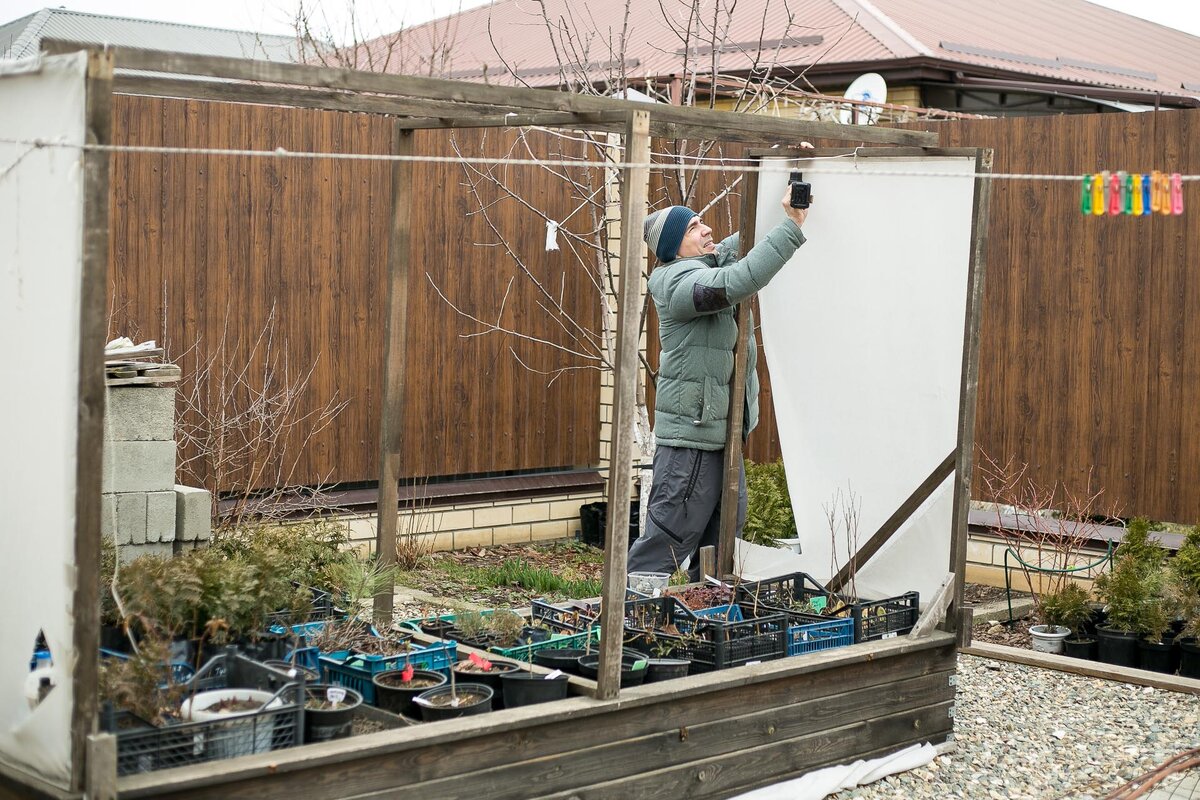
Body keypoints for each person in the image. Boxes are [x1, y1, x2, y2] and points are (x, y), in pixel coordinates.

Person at [626, 187, 811, 581]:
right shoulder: (677, 284)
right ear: (674, 247)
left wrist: (788, 173)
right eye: (694, 228)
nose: (707, 229)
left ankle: (701, 621)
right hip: (690, 440)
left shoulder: (700, 267)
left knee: (723, 542)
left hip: (720, 434)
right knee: (668, 540)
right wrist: (792, 228)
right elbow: (738, 279)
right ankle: (633, 624)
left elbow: (745, 237)